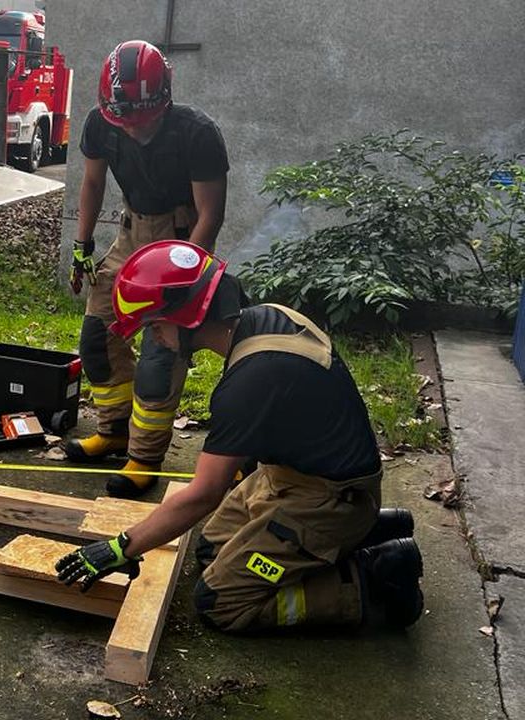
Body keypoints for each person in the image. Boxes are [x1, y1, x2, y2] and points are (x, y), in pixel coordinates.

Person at [55, 240, 424, 632]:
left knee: (219, 601)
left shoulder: (251, 380)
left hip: (329, 499)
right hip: (295, 477)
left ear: (186, 318)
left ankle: (373, 577)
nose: (155, 339)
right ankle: (364, 530)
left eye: (155, 327)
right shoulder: (268, 318)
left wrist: (121, 547)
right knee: (210, 550)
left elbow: (203, 495)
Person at [64, 40, 229, 499]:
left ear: (164, 99)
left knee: (161, 352)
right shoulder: (102, 122)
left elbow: (211, 215)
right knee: (97, 338)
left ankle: (145, 457)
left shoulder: (197, 134)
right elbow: (92, 181)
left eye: (143, 119)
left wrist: (186, 279)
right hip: (130, 235)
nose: (133, 128)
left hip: (180, 242)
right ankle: (114, 432)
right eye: (125, 120)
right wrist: (81, 246)